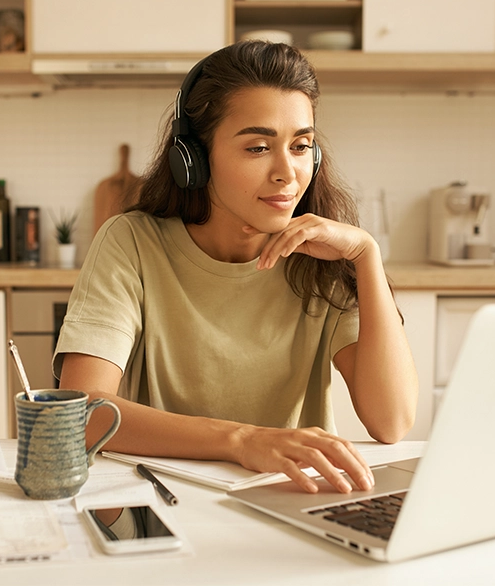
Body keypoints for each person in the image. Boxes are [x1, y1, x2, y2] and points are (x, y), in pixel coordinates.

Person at [54, 40, 418, 494]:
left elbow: (392, 422)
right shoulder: (132, 243)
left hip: (294, 500)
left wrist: (367, 256)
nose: (287, 172)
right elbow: (81, 412)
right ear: (195, 160)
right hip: (169, 500)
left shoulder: (325, 256)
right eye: (259, 148)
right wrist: (242, 439)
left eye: (301, 145)